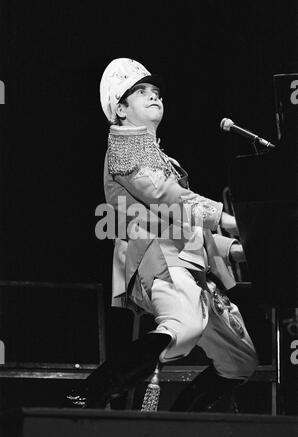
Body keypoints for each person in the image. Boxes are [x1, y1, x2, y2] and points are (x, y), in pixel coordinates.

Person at [66, 58, 258, 411]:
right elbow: (167, 197)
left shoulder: (162, 159)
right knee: (183, 325)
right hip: (156, 260)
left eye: (156, 92)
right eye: (141, 92)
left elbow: (184, 225)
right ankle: (92, 390)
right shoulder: (124, 146)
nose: (154, 97)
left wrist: (235, 249)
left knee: (240, 358)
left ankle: (182, 421)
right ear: (121, 109)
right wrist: (227, 218)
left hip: (190, 268)